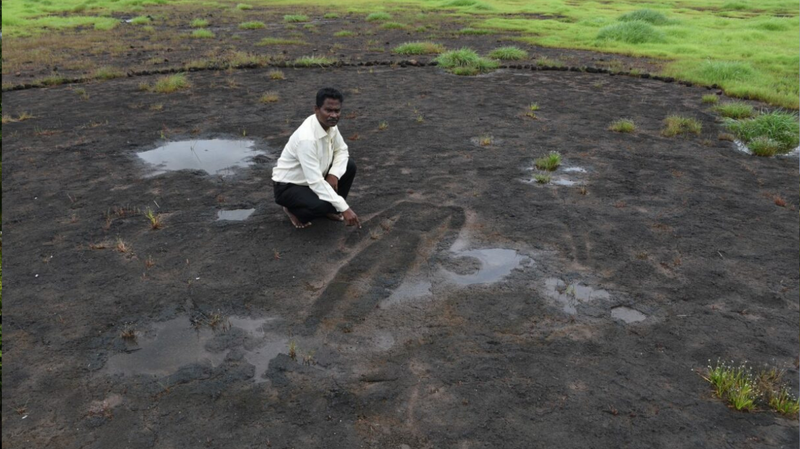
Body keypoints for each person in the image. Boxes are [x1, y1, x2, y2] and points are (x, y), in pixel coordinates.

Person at [272, 87, 361, 229]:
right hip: (289, 186)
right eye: (328, 110)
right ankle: (291, 209)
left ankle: (331, 209)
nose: (333, 115)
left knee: (349, 166)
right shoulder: (306, 139)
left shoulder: (330, 125)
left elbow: (342, 151)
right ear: (316, 109)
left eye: (337, 111)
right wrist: (345, 208)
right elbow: (315, 182)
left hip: (312, 179)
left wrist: (333, 175)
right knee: (320, 205)